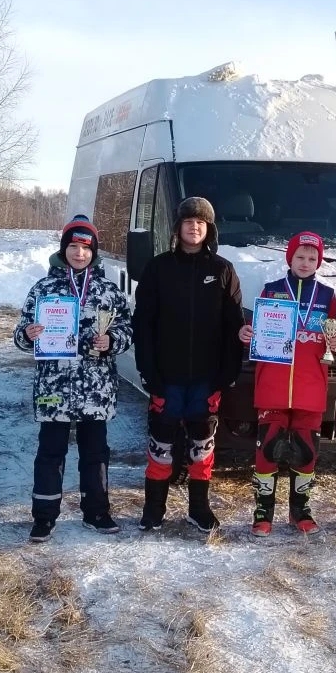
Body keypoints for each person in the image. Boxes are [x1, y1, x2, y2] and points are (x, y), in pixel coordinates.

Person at [14, 216, 132, 543]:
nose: (80, 253)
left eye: (86, 248)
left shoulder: (108, 291)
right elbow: (20, 334)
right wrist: (28, 334)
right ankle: (44, 516)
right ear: (63, 249)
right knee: (50, 453)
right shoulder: (43, 289)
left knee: (95, 453)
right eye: (74, 247)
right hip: (54, 387)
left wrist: (112, 341)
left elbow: (127, 329)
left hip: (96, 388)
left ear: (94, 252)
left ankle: (97, 512)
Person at [132, 197, 244, 533]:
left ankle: (199, 509)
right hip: (166, 376)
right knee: (161, 444)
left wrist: (228, 373)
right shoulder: (158, 268)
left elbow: (234, 325)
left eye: (200, 223)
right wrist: (147, 370)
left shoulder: (223, 270)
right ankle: (154, 509)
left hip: (206, 379)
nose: (194, 227)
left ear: (209, 229)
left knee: (201, 445)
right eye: (188, 222)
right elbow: (143, 322)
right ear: (177, 227)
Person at [239, 231, 336, 536]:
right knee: (268, 450)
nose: (305, 263)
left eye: (312, 258)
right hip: (273, 384)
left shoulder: (327, 296)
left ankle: (300, 510)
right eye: (300, 257)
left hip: (310, 386)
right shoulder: (271, 291)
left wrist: (334, 343)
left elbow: (331, 335)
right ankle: (263, 512)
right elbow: (258, 332)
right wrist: (247, 334)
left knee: (306, 451)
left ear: (318, 262)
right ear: (290, 258)